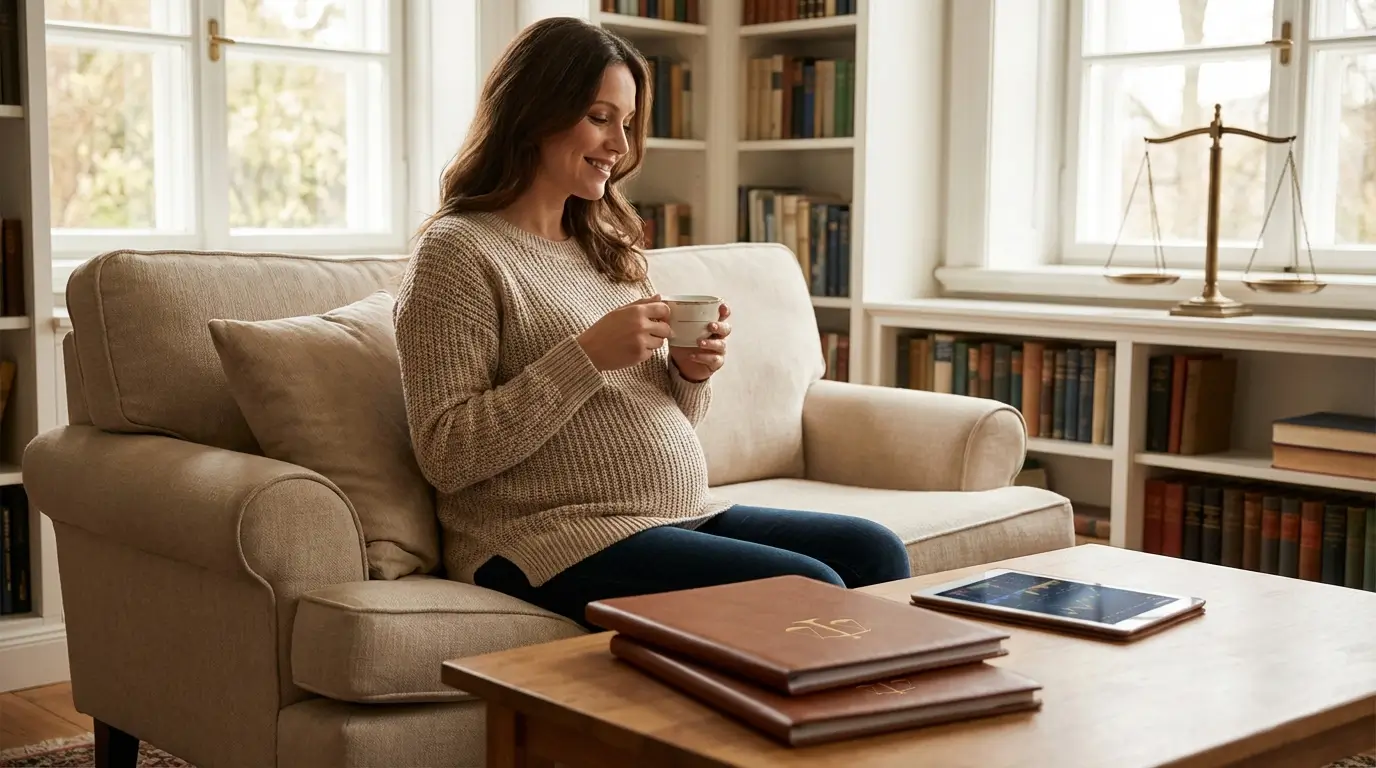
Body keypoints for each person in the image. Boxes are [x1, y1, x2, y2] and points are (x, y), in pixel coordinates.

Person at [393, 16, 910, 629]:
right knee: (811, 589)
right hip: (546, 537)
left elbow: (670, 416)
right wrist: (586, 357)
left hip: (674, 514)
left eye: (628, 122)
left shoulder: (606, 244)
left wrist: (689, 374)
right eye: (600, 117)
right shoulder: (458, 251)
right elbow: (448, 453)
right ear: (532, 114)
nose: (620, 144)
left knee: (874, 550)